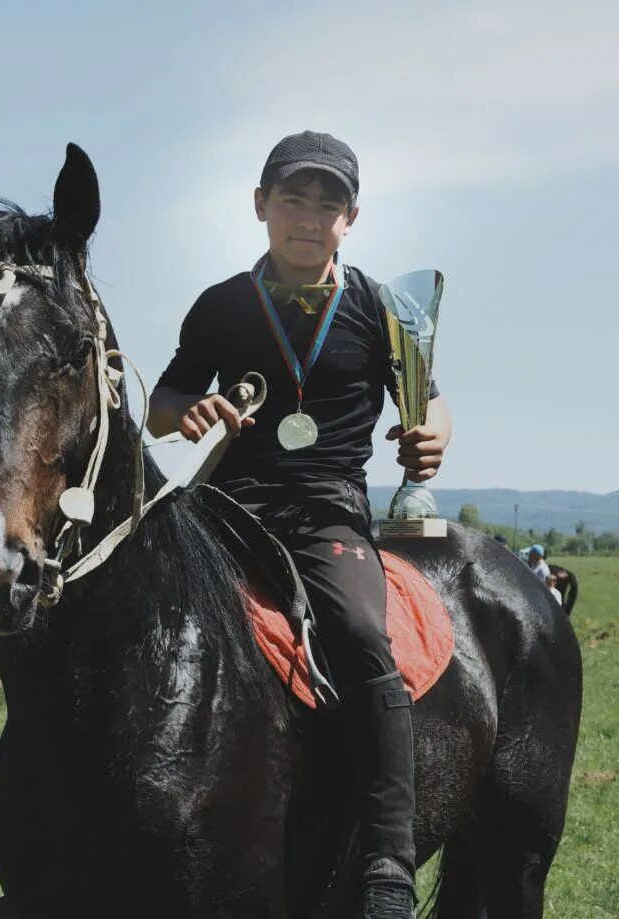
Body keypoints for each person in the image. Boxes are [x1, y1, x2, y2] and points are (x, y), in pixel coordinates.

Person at [148, 131, 451, 917]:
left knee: (357, 628)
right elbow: (160, 405)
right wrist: (193, 410)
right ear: (260, 206)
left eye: (328, 204)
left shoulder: (381, 309)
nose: (308, 218)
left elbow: (431, 397)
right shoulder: (220, 304)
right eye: (292, 199)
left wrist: (434, 431)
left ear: (351, 218)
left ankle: (387, 857)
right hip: (223, 503)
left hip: (325, 513)